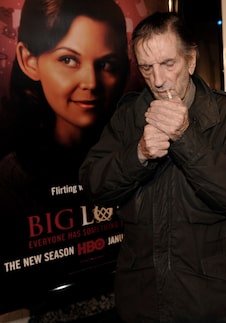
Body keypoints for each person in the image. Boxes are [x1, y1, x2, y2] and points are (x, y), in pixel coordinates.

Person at [79, 12, 226, 323]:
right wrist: (138, 154)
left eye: (168, 64)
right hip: (143, 298)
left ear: (190, 61)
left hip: (212, 300)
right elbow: (94, 185)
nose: (158, 79)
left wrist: (185, 138)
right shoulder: (127, 116)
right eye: (147, 68)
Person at [0, 0, 129, 299]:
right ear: (29, 60)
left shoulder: (136, 155)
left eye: (107, 64)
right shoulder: (10, 181)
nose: (91, 83)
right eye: (68, 60)